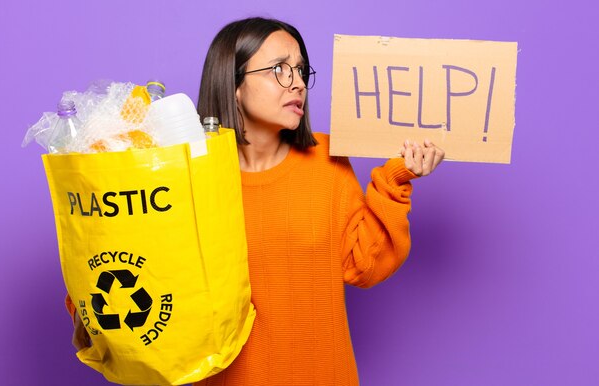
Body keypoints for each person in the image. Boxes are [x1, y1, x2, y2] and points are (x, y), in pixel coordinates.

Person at [70, 17, 444, 385]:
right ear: (233, 84)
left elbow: (365, 266)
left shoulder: (327, 160)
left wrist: (396, 179)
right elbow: (130, 265)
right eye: (279, 69)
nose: (297, 83)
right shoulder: (179, 172)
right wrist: (90, 311)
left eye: (301, 70)